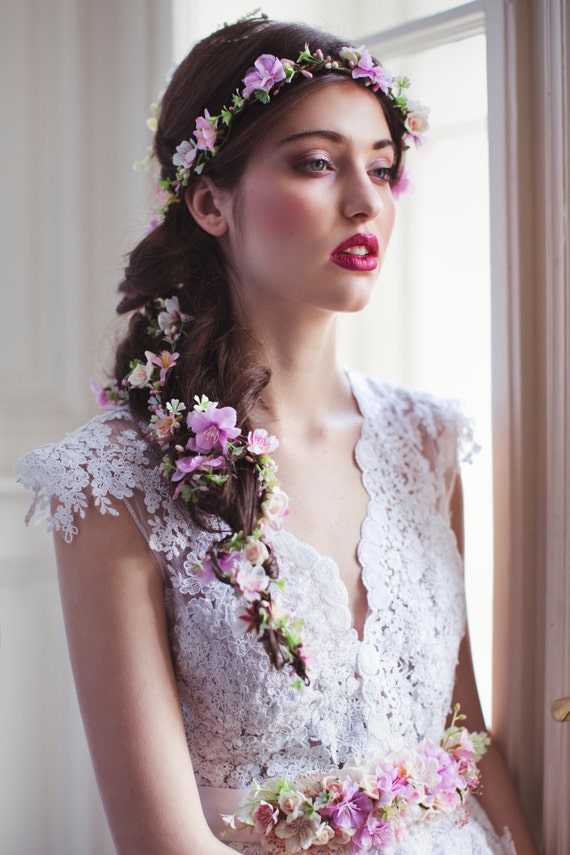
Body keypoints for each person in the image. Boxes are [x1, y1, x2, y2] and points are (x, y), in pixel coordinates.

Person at [15, 14, 537, 855]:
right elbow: (164, 845)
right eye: (318, 163)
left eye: (382, 166)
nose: (367, 200)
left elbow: (464, 732)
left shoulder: (428, 442)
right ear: (210, 201)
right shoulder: (111, 480)